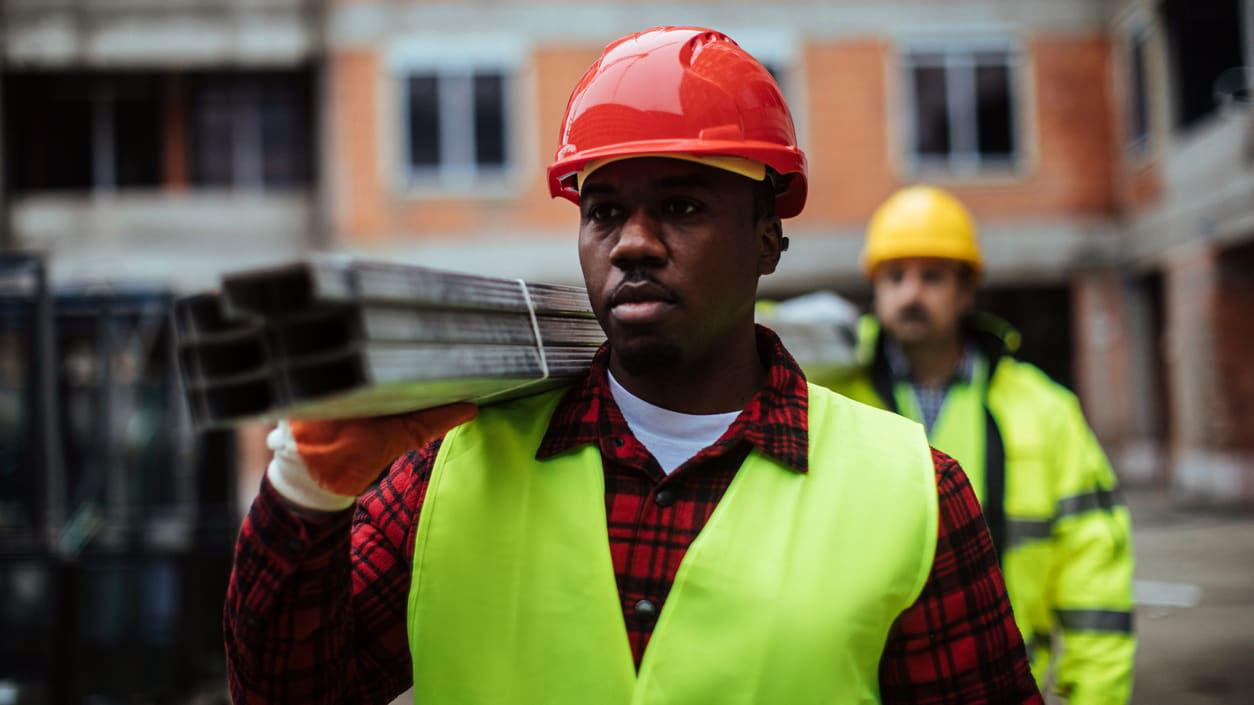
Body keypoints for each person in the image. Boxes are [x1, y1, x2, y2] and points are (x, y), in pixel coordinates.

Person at [223, 27, 1042, 704]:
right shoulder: (449, 464)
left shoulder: (911, 492)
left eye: (683, 206)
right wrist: (308, 491)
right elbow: (287, 693)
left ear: (767, 237)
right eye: (604, 210)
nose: (635, 242)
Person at [810, 185, 1136, 704]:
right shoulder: (823, 397)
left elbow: (1094, 576)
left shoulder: (1045, 411)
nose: (910, 294)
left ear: (967, 291)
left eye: (932, 276)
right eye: (895, 277)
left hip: (994, 685)